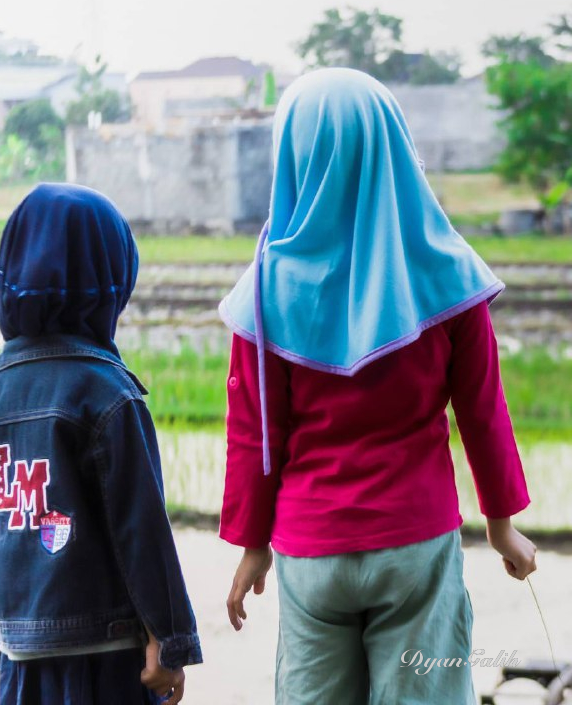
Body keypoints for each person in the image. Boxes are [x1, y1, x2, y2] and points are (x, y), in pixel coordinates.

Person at [218, 68, 536, 704]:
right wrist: (501, 524)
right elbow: (483, 411)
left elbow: (255, 430)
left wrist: (253, 544)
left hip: (312, 553)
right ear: (396, 144)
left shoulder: (267, 287)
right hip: (415, 545)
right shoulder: (447, 271)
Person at [0, 183, 201, 705]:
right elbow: (142, 529)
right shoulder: (109, 392)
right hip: (106, 655)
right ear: (111, 280)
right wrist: (170, 638)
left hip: (22, 653)